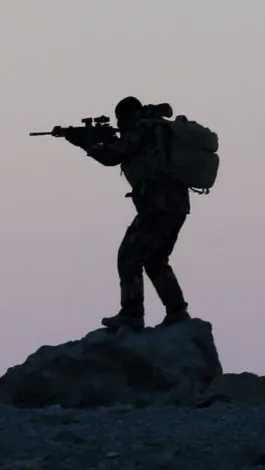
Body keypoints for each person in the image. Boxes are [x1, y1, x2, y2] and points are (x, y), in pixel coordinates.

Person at [65, 96, 192, 330]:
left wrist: (87, 144)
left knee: (129, 255)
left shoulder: (144, 127)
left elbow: (113, 156)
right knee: (155, 260)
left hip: (157, 205)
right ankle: (177, 312)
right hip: (175, 206)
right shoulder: (159, 128)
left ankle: (132, 314)